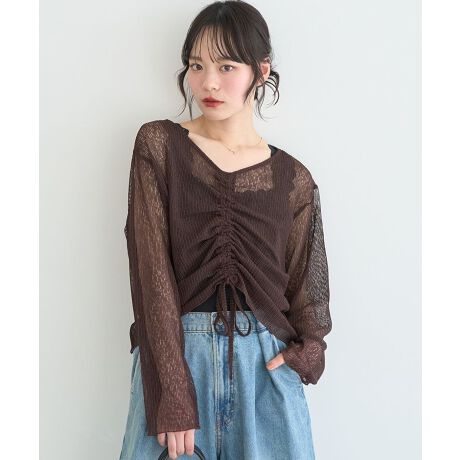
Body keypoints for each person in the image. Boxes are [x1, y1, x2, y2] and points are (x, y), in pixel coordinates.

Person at [119, 1, 332, 459]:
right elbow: (150, 272)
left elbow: (307, 289)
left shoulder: (293, 179)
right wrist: (172, 391)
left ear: (261, 71)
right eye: (197, 66)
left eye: (226, 66)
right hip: (178, 361)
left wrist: (309, 351)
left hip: (265, 369)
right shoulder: (160, 146)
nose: (208, 83)